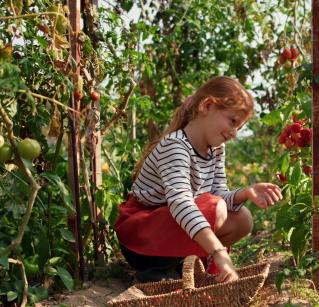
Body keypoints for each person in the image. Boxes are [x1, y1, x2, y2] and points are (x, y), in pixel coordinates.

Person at [114, 76, 283, 284]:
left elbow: (218, 194)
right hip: (141, 240)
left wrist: (245, 192)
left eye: (238, 127)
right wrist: (219, 253)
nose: (234, 133)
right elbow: (181, 203)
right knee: (215, 207)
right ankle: (155, 272)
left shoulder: (216, 150)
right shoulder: (175, 146)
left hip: (168, 228)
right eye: (232, 121)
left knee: (242, 219)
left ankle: (184, 266)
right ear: (208, 106)